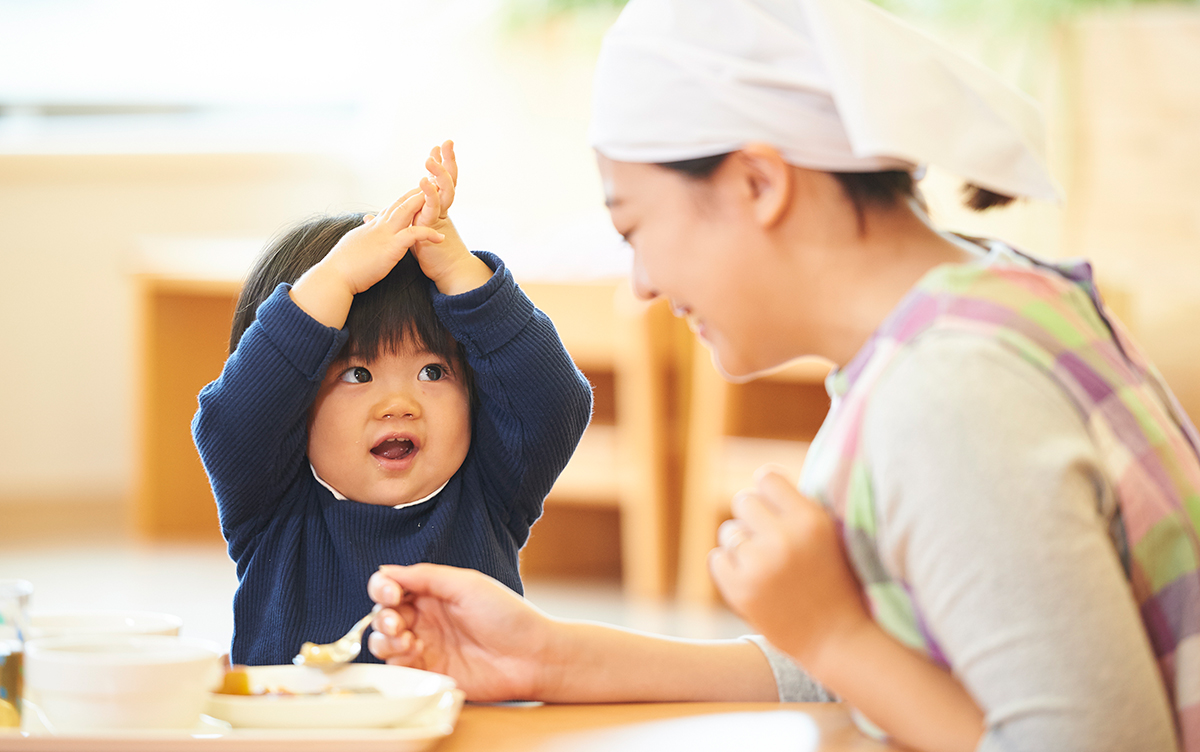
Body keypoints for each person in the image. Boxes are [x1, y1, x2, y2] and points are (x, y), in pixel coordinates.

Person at [364, 3, 1200, 752]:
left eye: (635, 228)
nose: (642, 286)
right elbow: (897, 677)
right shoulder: (979, 311)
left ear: (759, 183)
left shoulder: (950, 392)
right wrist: (545, 655)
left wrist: (837, 634)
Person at [191, 142, 593, 666]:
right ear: (294, 399)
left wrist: (459, 270)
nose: (400, 404)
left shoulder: (490, 494)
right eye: (358, 374)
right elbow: (236, 422)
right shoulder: (273, 508)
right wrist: (334, 279)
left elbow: (553, 401)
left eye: (433, 371)